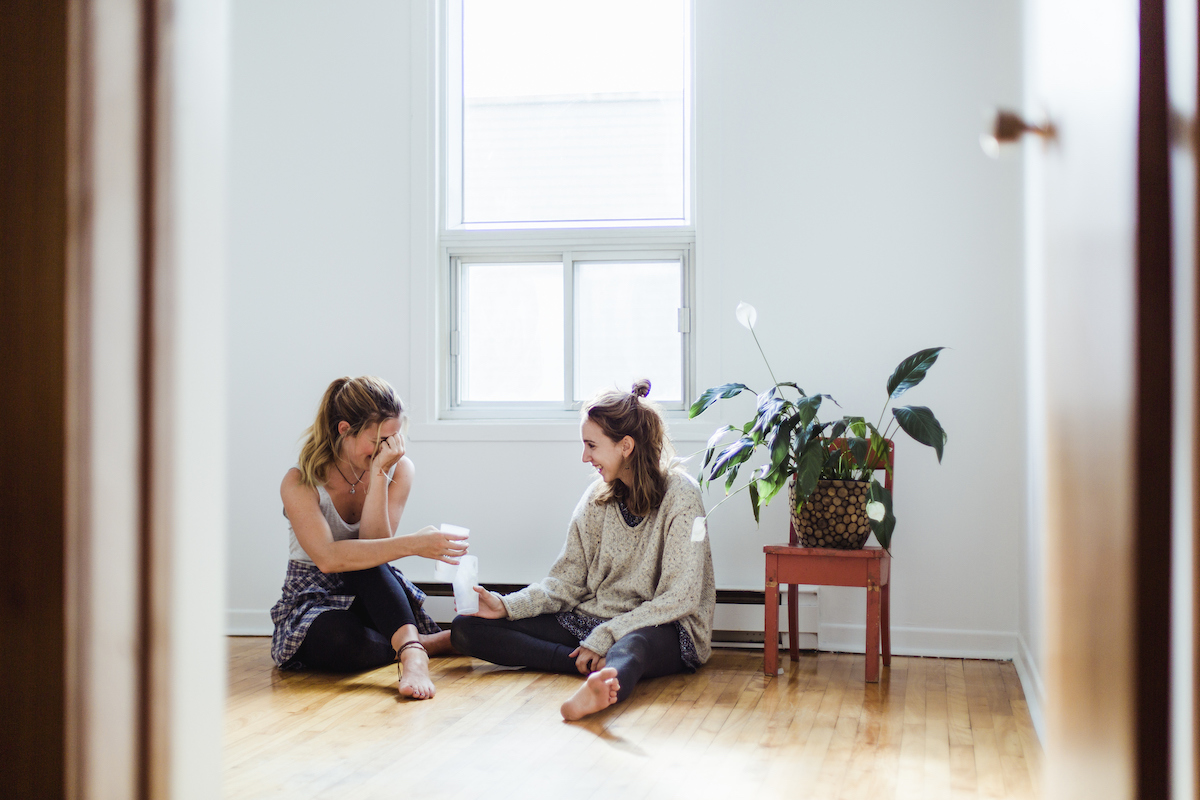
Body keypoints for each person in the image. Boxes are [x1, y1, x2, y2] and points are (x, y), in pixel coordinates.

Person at [451, 380, 716, 720]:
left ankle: (604, 686)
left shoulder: (682, 495)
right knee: (465, 628)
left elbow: (680, 597)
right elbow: (565, 583)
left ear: (626, 446)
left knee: (633, 646)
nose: (584, 457)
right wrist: (505, 606)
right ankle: (587, 665)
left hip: (664, 627)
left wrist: (607, 634)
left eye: (592, 445)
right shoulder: (596, 498)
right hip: (593, 620)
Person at [270, 376, 468, 699]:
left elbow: (376, 547)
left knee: (366, 557)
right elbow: (329, 559)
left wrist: (378, 475)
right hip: (315, 594)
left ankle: (413, 654)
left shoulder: (399, 469)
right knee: (338, 639)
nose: (389, 447)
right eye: (380, 439)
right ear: (344, 430)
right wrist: (416, 544)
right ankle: (423, 642)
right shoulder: (300, 481)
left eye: (395, 437)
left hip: (372, 587)